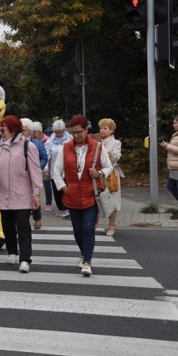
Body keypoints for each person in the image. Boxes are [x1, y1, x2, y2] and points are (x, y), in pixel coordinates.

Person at [52, 115, 112, 277]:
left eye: (78, 132)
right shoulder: (65, 148)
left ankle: (87, 262)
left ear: (86, 130)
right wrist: (64, 188)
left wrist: (99, 173)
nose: (76, 136)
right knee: (77, 229)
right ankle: (83, 253)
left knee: (87, 228)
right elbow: (56, 172)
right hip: (71, 196)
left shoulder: (98, 147)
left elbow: (109, 167)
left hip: (91, 194)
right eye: (72, 133)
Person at [0, 116, 43, 273]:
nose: (0, 133)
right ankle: (12, 252)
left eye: (2, 130)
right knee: (7, 226)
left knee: (23, 226)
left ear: (12, 130)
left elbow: (35, 171)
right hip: (3, 193)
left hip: (23, 195)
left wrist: (36, 193)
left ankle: (25, 259)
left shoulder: (28, 146)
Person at [98, 118, 124, 236]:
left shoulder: (116, 143)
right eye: (101, 128)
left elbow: (116, 157)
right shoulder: (96, 142)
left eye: (105, 128)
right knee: (95, 199)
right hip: (97, 174)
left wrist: (108, 155)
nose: (102, 130)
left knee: (112, 200)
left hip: (111, 175)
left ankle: (112, 226)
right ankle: (93, 224)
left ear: (111, 130)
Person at [21, 118, 48, 229]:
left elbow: (44, 157)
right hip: (20, 176)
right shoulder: (15, 142)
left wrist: (37, 168)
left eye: (23, 130)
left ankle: (37, 218)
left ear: (29, 130)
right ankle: (22, 220)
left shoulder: (36, 143)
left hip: (34, 175)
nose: (21, 132)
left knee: (35, 196)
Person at [160, 115, 178, 220]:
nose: (173, 125)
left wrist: (167, 146)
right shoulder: (177, 134)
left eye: (176, 123)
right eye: (173, 122)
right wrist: (168, 145)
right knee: (171, 186)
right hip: (175, 166)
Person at [44, 119, 72, 218]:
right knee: (57, 190)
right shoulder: (50, 141)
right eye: (57, 132)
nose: (59, 134)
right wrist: (45, 169)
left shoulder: (70, 138)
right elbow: (46, 156)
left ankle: (68, 208)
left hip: (69, 169)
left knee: (67, 188)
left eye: (61, 132)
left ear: (64, 130)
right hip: (55, 169)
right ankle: (61, 209)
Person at [31, 121, 53, 212]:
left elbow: (46, 156)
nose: (32, 134)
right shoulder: (31, 140)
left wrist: (43, 168)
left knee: (47, 184)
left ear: (39, 132)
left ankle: (49, 203)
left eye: (34, 132)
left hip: (46, 165)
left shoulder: (48, 140)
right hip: (35, 167)